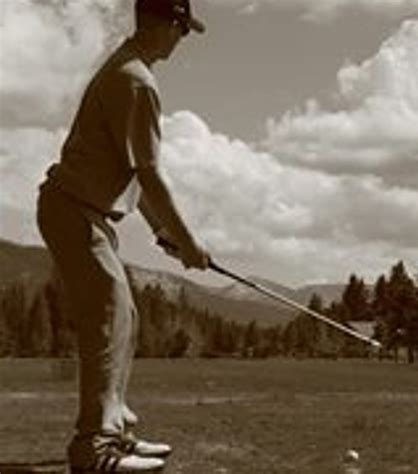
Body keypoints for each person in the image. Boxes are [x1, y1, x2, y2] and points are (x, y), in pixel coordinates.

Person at [36, 0, 209, 471]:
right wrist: (188, 241)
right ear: (166, 23)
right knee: (110, 313)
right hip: (74, 210)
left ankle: (115, 428)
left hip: (82, 212)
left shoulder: (128, 69)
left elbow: (133, 171)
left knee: (124, 316)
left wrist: (162, 231)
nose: (182, 39)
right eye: (182, 29)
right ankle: (94, 447)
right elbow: (150, 174)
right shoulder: (136, 81)